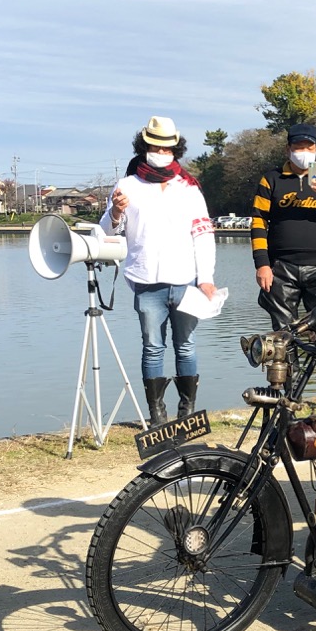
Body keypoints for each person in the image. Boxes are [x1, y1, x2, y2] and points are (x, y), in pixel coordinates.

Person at [100, 116, 217, 426]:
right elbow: (108, 233)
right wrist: (115, 211)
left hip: (185, 281)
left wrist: (206, 277)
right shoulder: (127, 185)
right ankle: (157, 415)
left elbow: (203, 233)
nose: (161, 152)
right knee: (152, 347)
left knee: (186, 345)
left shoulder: (189, 187)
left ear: (175, 149)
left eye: (167, 148)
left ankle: (187, 413)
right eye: (155, 147)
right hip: (146, 281)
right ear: (145, 146)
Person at [250, 123, 316, 391]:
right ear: (288, 149)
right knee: (283, 334)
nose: (303, 152)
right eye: (298, 147)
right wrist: (262, 264)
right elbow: (258, 222)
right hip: (280, 268)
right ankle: (289, 395)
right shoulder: (271, 179)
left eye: (309, 147)